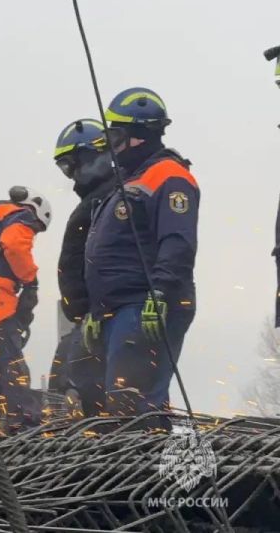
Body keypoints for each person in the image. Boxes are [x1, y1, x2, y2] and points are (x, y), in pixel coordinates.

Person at [84, 87, 198, 416]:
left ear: (140, 135)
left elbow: (178, 241)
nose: (112, 145)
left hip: (146, 303)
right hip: (119, 307)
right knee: (118, 402)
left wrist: (160, 290)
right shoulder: (131, 178)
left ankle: (144, 459)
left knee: (133, 402)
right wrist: (97, 308)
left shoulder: (170, 176)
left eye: (117, 135)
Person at [48, 119, 115, 417]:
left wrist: (94, 308)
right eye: (65, 168)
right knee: (65, 379)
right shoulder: (95, 199)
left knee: (85, 386)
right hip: (84, 315)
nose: (71, 174)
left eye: (71, 165)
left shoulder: (111, 197)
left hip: (98, 314)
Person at [0, 186, 51, 432]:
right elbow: (15, 245)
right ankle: (24, 422)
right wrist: (30, 281)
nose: (33, 233)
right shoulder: (19, 214)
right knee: (11, 361)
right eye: (36, 229)